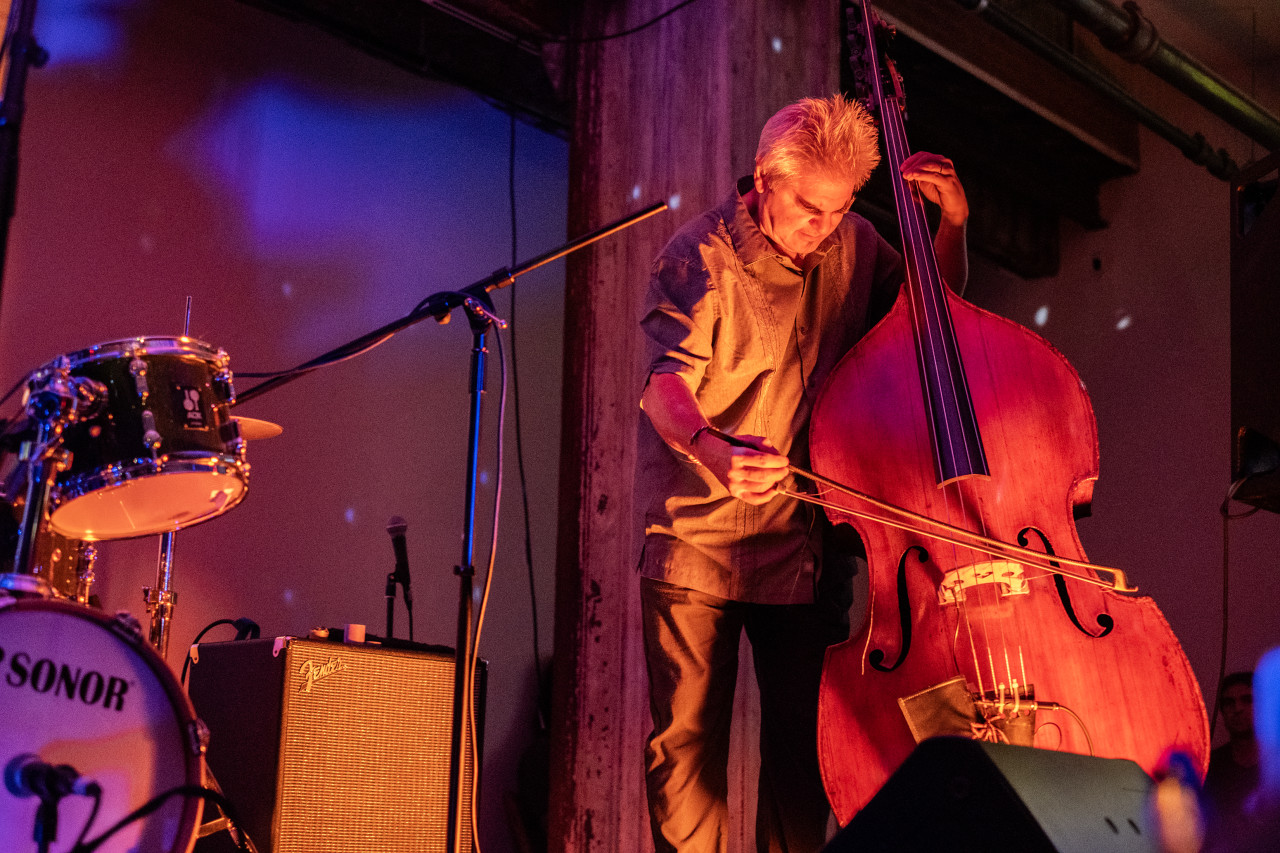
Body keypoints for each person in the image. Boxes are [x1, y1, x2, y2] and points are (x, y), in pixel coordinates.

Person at [634, 93, 969, 853]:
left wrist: (951, 226)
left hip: (807, 545)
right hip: (699, 542)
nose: (825, 228)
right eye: (810, 209)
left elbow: (934, 316)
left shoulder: (852, 242)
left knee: (803, 761)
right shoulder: (699, 253)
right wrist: (718, 451)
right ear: (763, 179)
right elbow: (664, 388)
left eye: (840, 208)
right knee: (686, 760)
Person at [1203, 672, 1259, 838]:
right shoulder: (1210, 767)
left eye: (1247, 700)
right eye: (1229, 703)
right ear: (1222, 711)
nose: (1238, 709)